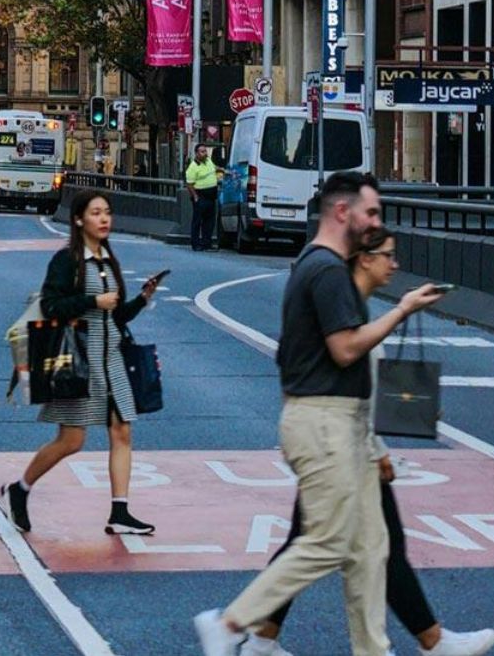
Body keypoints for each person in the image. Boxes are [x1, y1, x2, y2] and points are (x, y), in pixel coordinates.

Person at [194, 171, 445, 656]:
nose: (377, 224)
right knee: (327, 542)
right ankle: (230, 624)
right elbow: (346, 348)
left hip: (337, 422)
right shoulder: (327, 269)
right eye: (370, 213)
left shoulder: (315, 265)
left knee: (372, 550)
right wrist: (402, 311)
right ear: (341, 212)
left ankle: (373, 651)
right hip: (323, 422)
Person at [241, 228, 494, 656]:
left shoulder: (352, 306)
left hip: (339, 443)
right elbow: (344, 384)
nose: (394, 265)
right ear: (363, 259)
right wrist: (377, 450)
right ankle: (239, 626)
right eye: (387, 256)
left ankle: (259, 639)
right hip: (336, 446)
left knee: (330, 543)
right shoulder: (346, 312)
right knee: (349, 547)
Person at [0, 189, 162, 536]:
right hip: (78, 361)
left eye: (107, 212)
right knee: (71, 441)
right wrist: (92, 301)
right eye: (96, 213)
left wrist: (141, 300)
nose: (104, 219)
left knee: (122, 431)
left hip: (111, 358)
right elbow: (52, 306)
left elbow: (115, 316)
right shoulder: (67, 261)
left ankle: (120, 511)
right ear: (78, 220)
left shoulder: (108, 259)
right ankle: (21, 487)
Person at [184, 144, 224, 251]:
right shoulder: (193, 167)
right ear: (196, 153)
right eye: (202, 151)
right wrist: (195, 196)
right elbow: (189, 184)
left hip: (211, 197)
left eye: (205, 151)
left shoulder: (208, 161)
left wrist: (222, 170)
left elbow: (214, 168)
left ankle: (207, 243)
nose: (204, 153)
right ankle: (195, 244)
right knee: (197, 221)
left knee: (209, 221)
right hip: (201, 196)